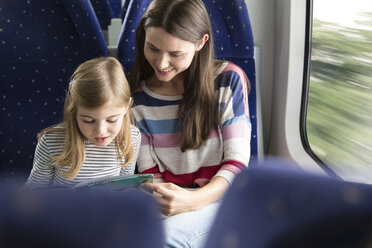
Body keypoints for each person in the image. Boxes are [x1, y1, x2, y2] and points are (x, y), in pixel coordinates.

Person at [129, 0, 252, 247]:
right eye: (153, 48)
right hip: (164, 202)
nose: (162, 64)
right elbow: (149, 173)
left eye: (175, 54)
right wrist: (169, 202)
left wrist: (192, 201)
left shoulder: (228, 81)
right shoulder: (137, 99)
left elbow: (236, 164)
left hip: (218, 200)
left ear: (200, 43)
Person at [25, 57, 141, 188]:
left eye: (112, 120)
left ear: (126, 108)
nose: (101, 131)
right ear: (73, 111)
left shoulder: (132, 137)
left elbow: (126, 187)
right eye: (88, 121)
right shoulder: (51, 143)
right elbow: (33, 192)